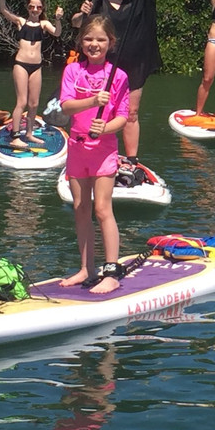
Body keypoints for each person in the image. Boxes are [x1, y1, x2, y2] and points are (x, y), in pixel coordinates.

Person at [71, 0, 180, 169]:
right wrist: (81, 12)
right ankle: (92, 150)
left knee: (130, 113)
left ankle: (132, 160)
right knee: (100, 110)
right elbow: (77, 23)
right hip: (104, 64)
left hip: (134, 61)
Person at [58, 15, 130, 295]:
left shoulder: (119, 76)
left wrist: (105, 127)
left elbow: (123, 118)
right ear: (81, 42)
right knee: (80, 208)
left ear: (110, 43)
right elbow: (66, 107)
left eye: (100, 39)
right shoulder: (73, 71)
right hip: (77, 147)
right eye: (88, 39)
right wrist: (92, 100)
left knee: (102, 209)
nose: (94, 44)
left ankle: (111, 271)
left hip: (103, 150)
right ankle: (86, 268)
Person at [0, 0, 63, 149]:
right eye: (32, 7)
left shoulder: (43, 24)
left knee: (34, 104)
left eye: (38, 7)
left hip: (36, 67)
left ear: (42, 9)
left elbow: (57, 32)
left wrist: (58, 19)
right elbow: (4, 10)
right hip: (21, 65)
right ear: (28, 7)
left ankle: (29, 133)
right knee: (22, 102)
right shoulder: (21, 22)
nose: (35, 10)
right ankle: (15, 136)